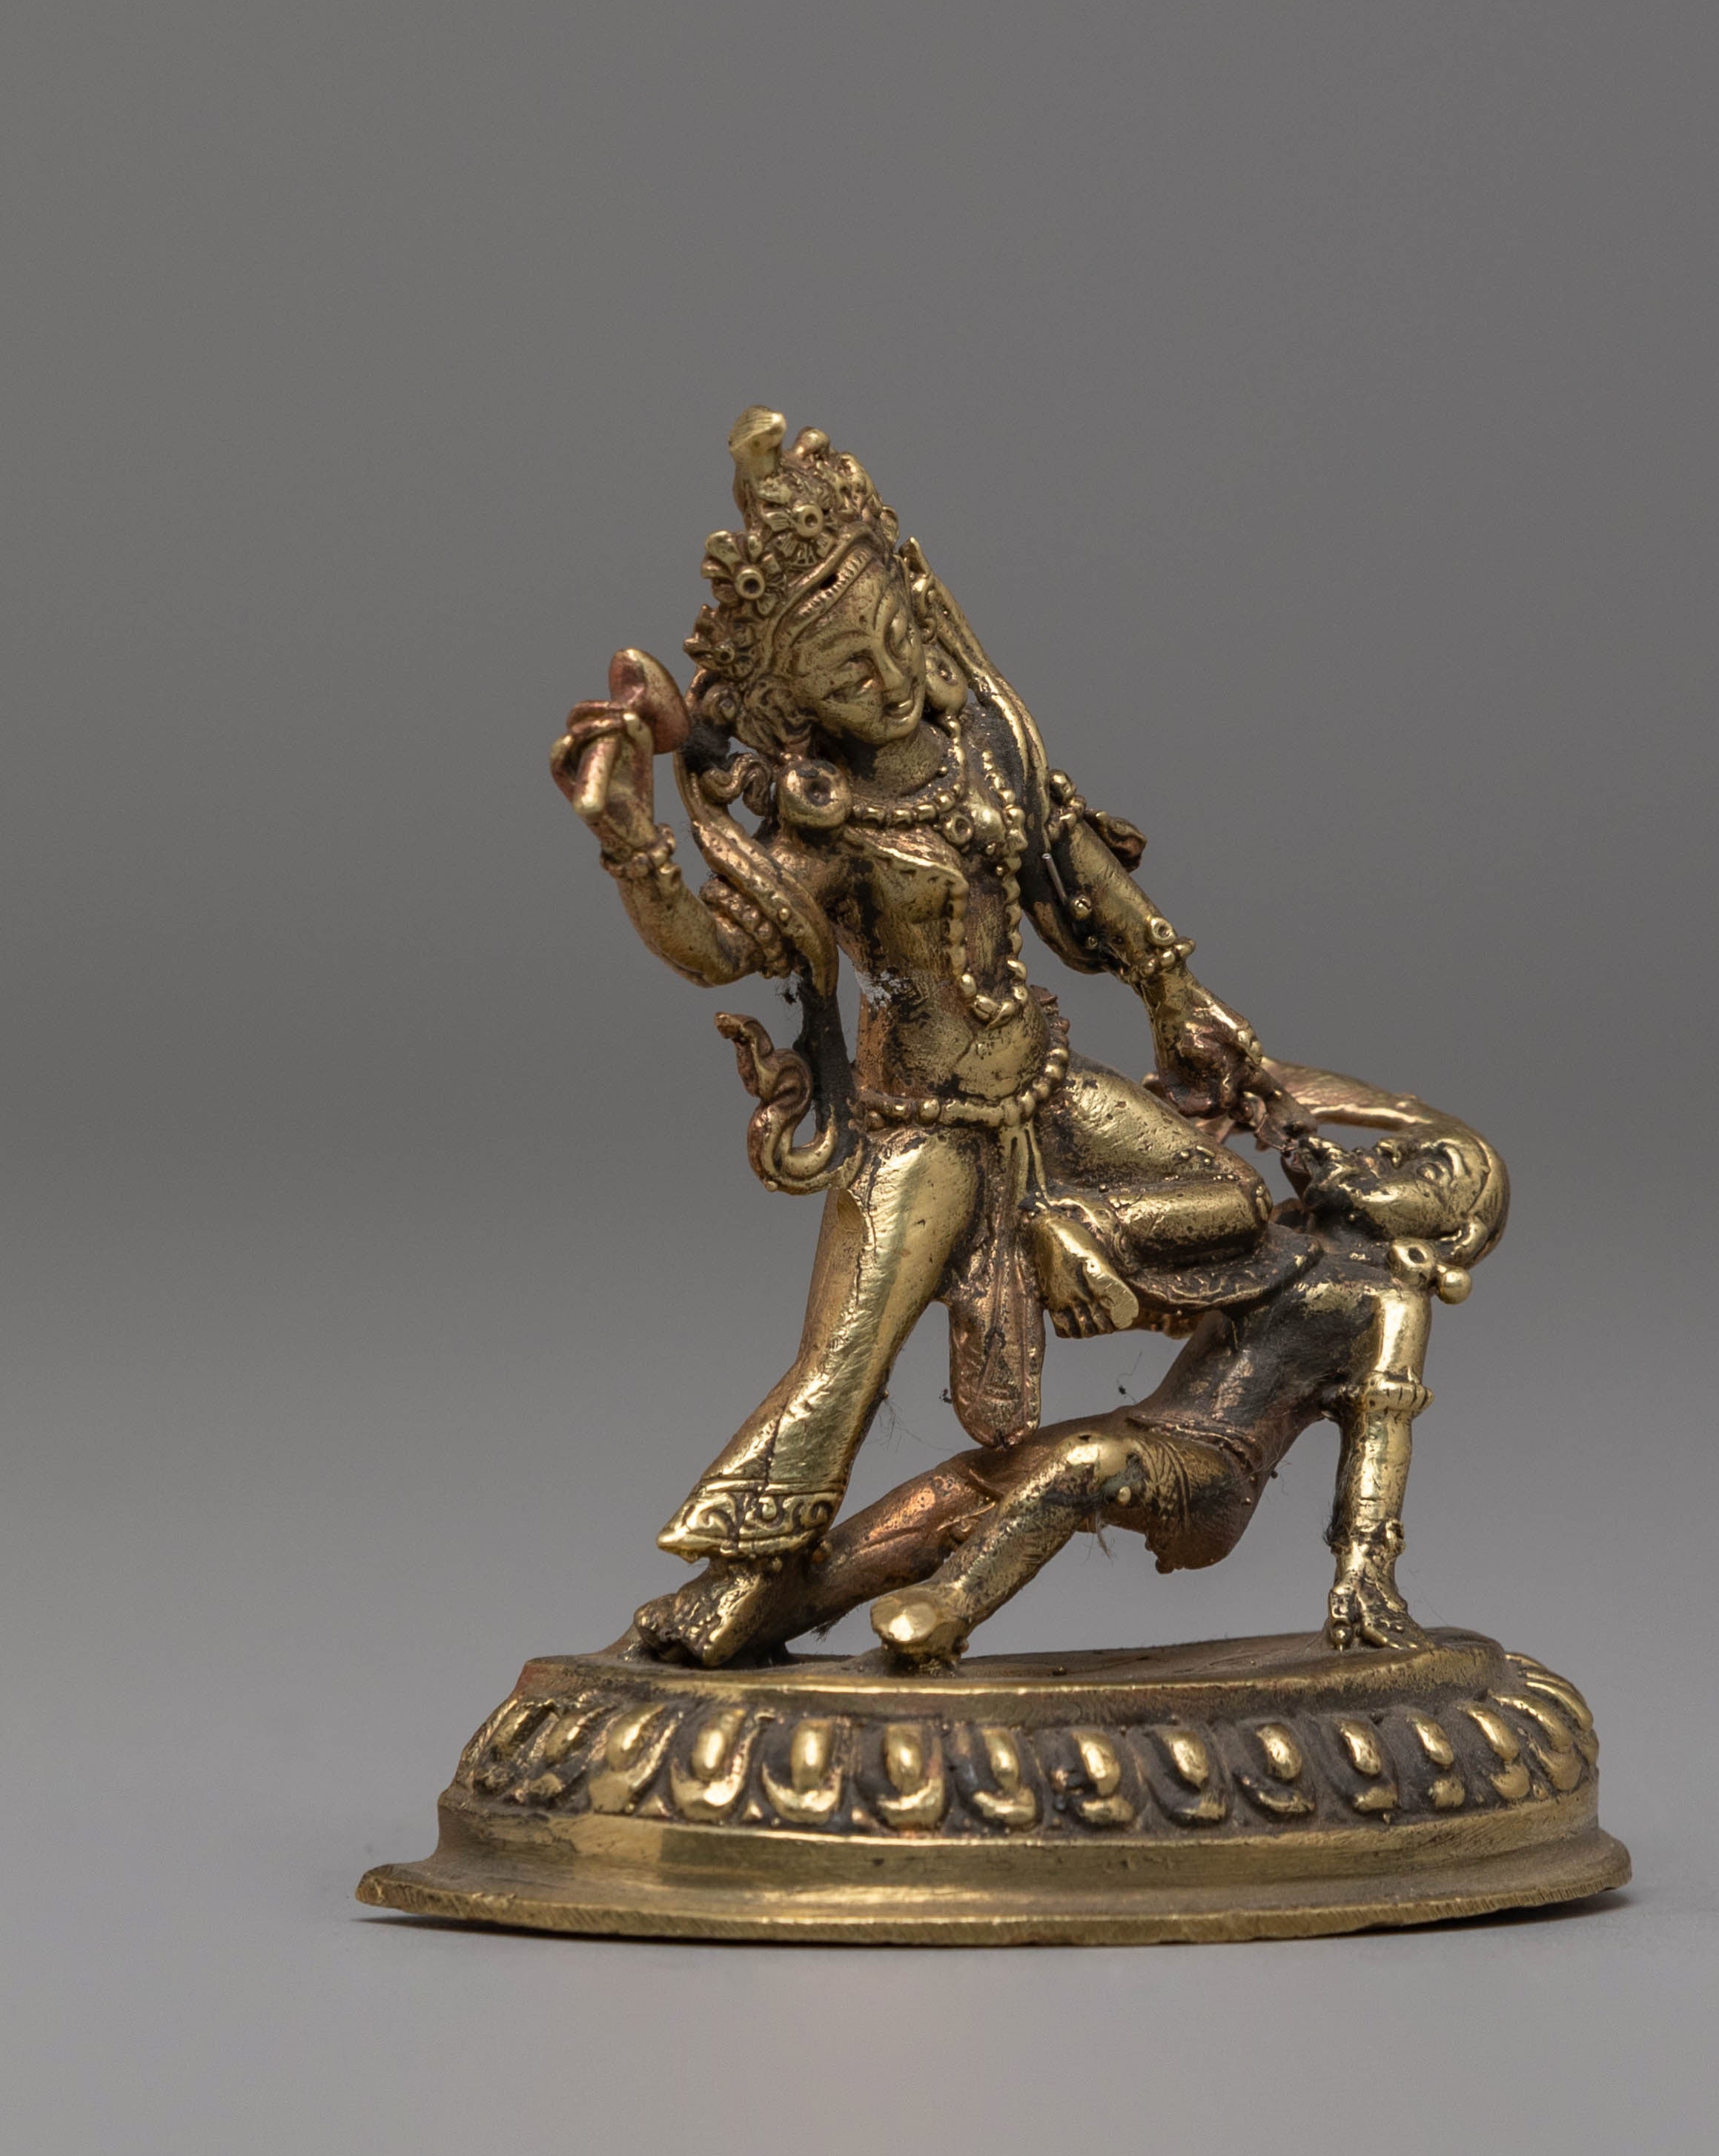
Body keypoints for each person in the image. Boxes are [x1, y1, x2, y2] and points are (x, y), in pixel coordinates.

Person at [552, 411, 1287, 1665]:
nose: (888, 681)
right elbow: (719, 946)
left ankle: (1070, 1253)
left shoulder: (981, 749)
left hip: (1043, 1093)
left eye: (895, 642)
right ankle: (739, 1582)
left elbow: (1070, 864)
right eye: (848, 677)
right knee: (843, 1363)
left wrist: (1174, 990)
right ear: (796, 706)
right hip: (923, 1133)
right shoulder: (823, 825)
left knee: (1235, 1211)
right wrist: (632, 841)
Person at [630, 1123, 1507, 1667]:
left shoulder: (1387, 1302)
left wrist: (1364, 1572)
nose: (1383, 1155)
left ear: (1453, 1230)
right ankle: (766, 1612)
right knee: (955, 1488)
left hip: (1213, 1476)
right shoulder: (1275, 1237)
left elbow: (1380, 1434)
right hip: (1139, 1431)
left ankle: (947, 1610)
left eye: (1423, 1168)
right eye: (1392, 1146)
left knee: (1082, 1463)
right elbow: (1166, 1295)